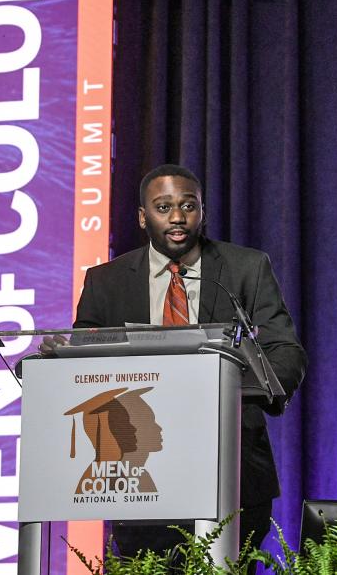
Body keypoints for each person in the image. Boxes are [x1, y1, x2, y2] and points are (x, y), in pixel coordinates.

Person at [42, 163, 307, 566]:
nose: (178, 217)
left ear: (203, 211)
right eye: (164, 207)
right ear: (142, 216)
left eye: (189, 206)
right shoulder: (106, 281)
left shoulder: (245, 268)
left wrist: (252, 387)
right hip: (138, 469)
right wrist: (58, 362)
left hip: (233, 463)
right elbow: (84, 356)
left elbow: (286, 351)